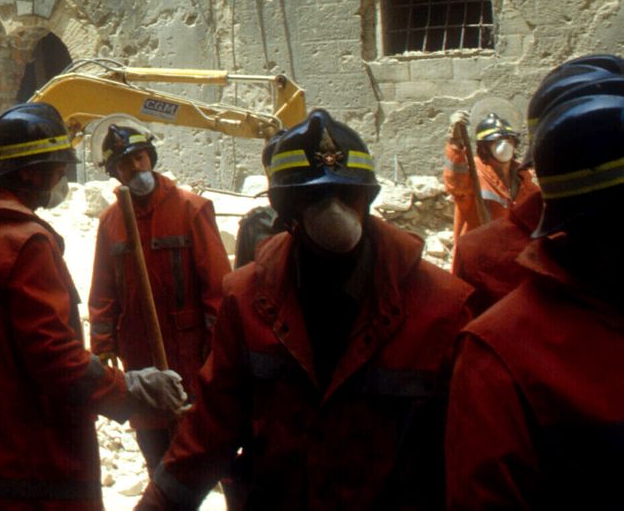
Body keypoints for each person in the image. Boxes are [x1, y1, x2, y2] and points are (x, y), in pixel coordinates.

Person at [140, 109, 473, 509]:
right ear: (288, 210)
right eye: (314, 197)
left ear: (366, 197)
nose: (334, 209)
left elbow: (469, 459)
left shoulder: (442, 308)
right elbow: (210, 431)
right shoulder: (247, 299)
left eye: (346, 194)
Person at [0, 102, 188, 509]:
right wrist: (131, 389)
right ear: (30, 172)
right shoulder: (26, 244)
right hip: (29, 460)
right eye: (57, 168)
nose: (61, 179)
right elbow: (55, 359)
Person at [446, 56, 624, 507]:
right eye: (497, 143)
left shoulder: (522, 179)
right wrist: (455, 146)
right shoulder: (499, 356)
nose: (503, 149)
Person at [88, 122, 230, 471]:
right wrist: (103, 347)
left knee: (204, 455)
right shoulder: (111, 222)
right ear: (115, 173)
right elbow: (103, 293)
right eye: (125, 164)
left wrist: (217, 352)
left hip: (191, 357)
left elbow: (218, 289)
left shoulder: (190, 209)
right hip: (141, 358)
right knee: (159, 460)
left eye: (139, 157)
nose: (135, 168)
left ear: (151, 157)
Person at [443, 107, 539, 239]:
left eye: (508, 140)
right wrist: (455, 142)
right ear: (484, 148)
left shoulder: (524, 179)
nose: (504, 145)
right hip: (479, 252)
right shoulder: (474, 172)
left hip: (513, 254)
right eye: (496, 141)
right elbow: (455, 184)